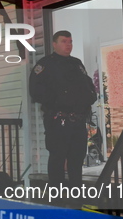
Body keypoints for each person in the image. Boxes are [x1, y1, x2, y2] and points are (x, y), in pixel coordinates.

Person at [29, 30, 97, 191]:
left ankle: (76, 197)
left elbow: (88, 86)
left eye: (70, 41)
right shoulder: (45, 64)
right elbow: (35, 91)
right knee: (57, 160)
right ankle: (56, 198)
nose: (69, 45)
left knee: (76, 159)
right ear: (54, 44)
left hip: (78, 121)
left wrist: (89, 99)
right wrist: (58, 100)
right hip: (58, 121)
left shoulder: (77, 63)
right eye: (64, 41)